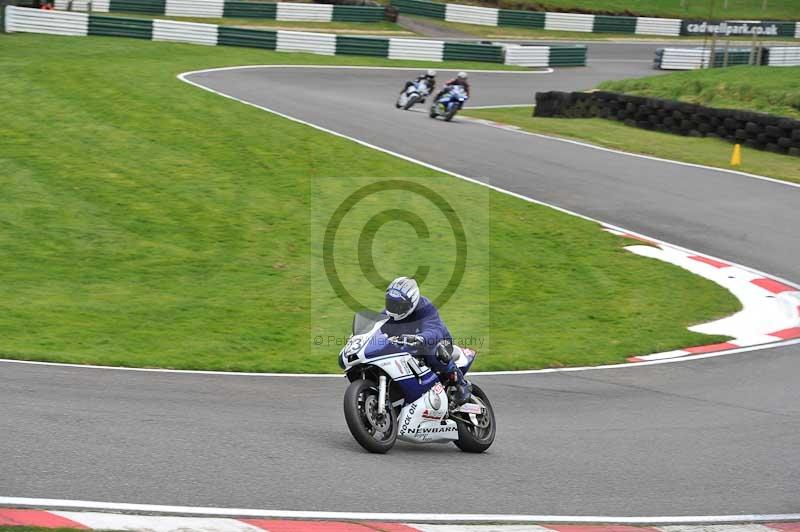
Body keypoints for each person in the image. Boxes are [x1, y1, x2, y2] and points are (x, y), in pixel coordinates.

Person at [381, 276, 471, 407]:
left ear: (411, 303)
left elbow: (434, 330)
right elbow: (375, 328)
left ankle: (461, 384)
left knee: (434, 351)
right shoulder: (389, 314)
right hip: (407, 346)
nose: (394, 308)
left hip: (440, 341)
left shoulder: (425, 308)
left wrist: (420, 338)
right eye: (391, 303)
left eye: (398, 304)